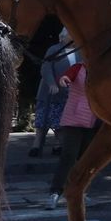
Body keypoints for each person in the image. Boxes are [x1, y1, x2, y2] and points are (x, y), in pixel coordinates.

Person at [47, 60, 99, 209]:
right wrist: (64, 80)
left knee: (86, 159)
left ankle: (81, 192)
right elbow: (66, 77)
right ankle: (55, 193)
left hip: (92, 119)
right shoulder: (78, 67)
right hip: (73, 119)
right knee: (68, 156)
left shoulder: (100, 68)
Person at [32, 28, 78, 157]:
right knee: (42, 121)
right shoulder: (54, 49)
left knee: (60, 123)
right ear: (62, 36)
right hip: (49, 92)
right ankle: (36, 145)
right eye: (70, 34)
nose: (73, 36)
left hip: (68, 94)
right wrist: (51, 83)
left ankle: (58, 146)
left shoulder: (79, 51)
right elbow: (46, 67)